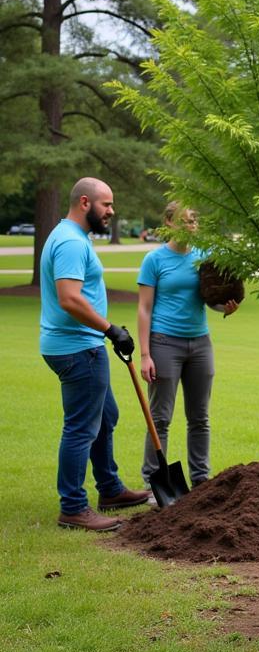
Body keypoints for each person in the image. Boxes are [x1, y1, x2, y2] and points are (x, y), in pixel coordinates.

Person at [39, 178, 151, 531]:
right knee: (81, 428)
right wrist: (110, 330)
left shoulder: (69, 237)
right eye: (107, 204)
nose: (112, 212)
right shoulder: (71, 242)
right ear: (85, 202)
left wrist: (106, 331)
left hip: (79, 344)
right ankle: (73, 507)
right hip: (78, 349)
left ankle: (111, 489)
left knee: (106, 417)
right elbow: (69, 298)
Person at [137, 202, 240, 491]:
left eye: (194, 221)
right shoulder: (154, 261)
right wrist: (145, 355)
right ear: (169, 223)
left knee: (200, 418)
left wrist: (226, 307)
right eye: (185, 221)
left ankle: (200, 480)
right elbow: (144, 309)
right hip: (164, 343)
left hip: (200, 345)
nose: (191, 226)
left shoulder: (204, 259)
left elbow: (212, 298)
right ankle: (152, 482)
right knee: (160, 419)